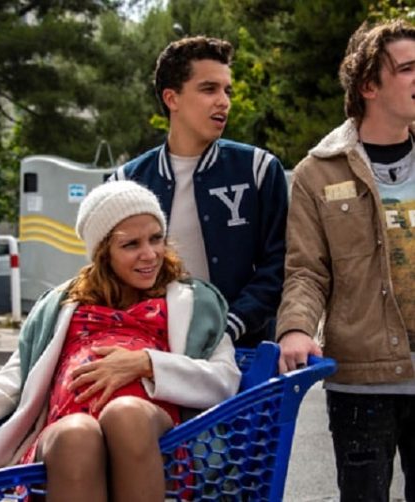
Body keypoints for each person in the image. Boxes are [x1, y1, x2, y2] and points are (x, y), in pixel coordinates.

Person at [0, 180, 241, 501]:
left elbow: (225, 380)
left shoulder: (195, 302)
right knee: (77, 435)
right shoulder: (59, 305)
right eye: (131, 245)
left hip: (158, 444)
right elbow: (13, 382)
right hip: (65, 438)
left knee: (126, 415)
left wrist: (147, 364)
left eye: (156, 238)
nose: (150, 254)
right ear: (103, 253)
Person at [276, 19, 415, 502]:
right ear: (368, 86)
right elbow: (306, 271)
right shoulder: (316, 173)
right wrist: (296, 328)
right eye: (408, 68)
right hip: (361, 383)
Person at [110, 36, 288, 348]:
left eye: (227, 90)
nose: (224, 101)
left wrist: (227, 328)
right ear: (172, 98)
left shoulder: (259, 169)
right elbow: (110, 273)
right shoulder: (126, 182)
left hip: (244, 352)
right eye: (209, 89)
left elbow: (279, 266)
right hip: (153, 349)